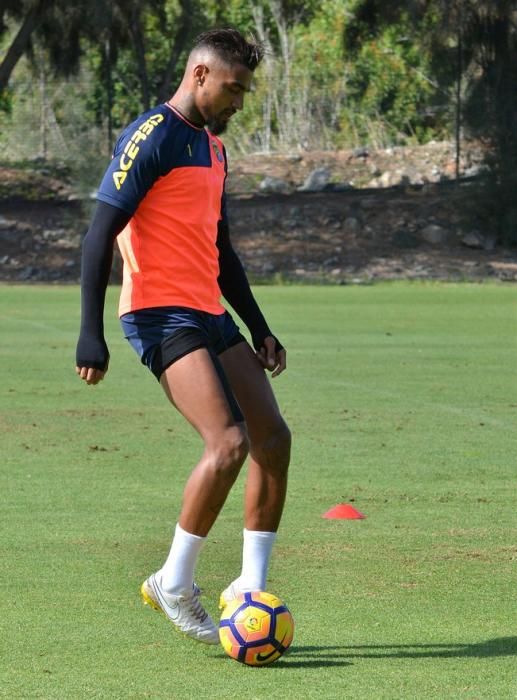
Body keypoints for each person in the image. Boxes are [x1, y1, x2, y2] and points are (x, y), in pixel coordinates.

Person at [75, 28, 291, 645]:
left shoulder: (214, 151)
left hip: (209, 311)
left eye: (246, 92)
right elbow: (98, 236)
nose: (239, 103)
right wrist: (91, 334)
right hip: (156, 312)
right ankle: (174, 581)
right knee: (227, 444)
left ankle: (249, 586)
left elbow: (222, 252)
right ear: (200, 75)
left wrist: (260, 327)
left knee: (272, 437)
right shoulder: (155, 134)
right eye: (233, 88)